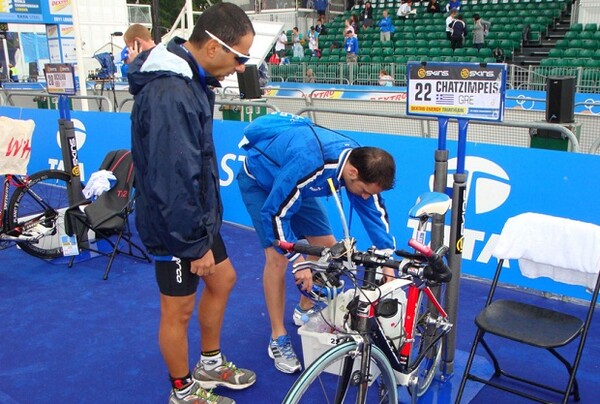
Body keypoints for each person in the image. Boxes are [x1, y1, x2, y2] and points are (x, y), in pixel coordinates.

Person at [127, 3, 256, 403]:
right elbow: (171, 177)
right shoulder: (171, 91)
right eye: (241, 57)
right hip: (174, 224)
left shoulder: (191, 79)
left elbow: (190, 163)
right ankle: (182, 391)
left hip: (194, 216)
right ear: (214, 48)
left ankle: (210, 363)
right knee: (178, 310)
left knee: (224, 278)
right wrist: (194, 243)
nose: (241, 68)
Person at [236, 112, 397, 374]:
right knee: (277, 257)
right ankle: (278, 337)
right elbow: (275, 213)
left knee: (327, 249)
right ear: (353, 173)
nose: (367, 197)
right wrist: (297, 262)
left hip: (298, 185)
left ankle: (304, 309)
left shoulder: (358, 162)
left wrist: (387, 259)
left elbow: (373, 211)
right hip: (262, 183)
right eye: (365, 190)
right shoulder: (310, 163)